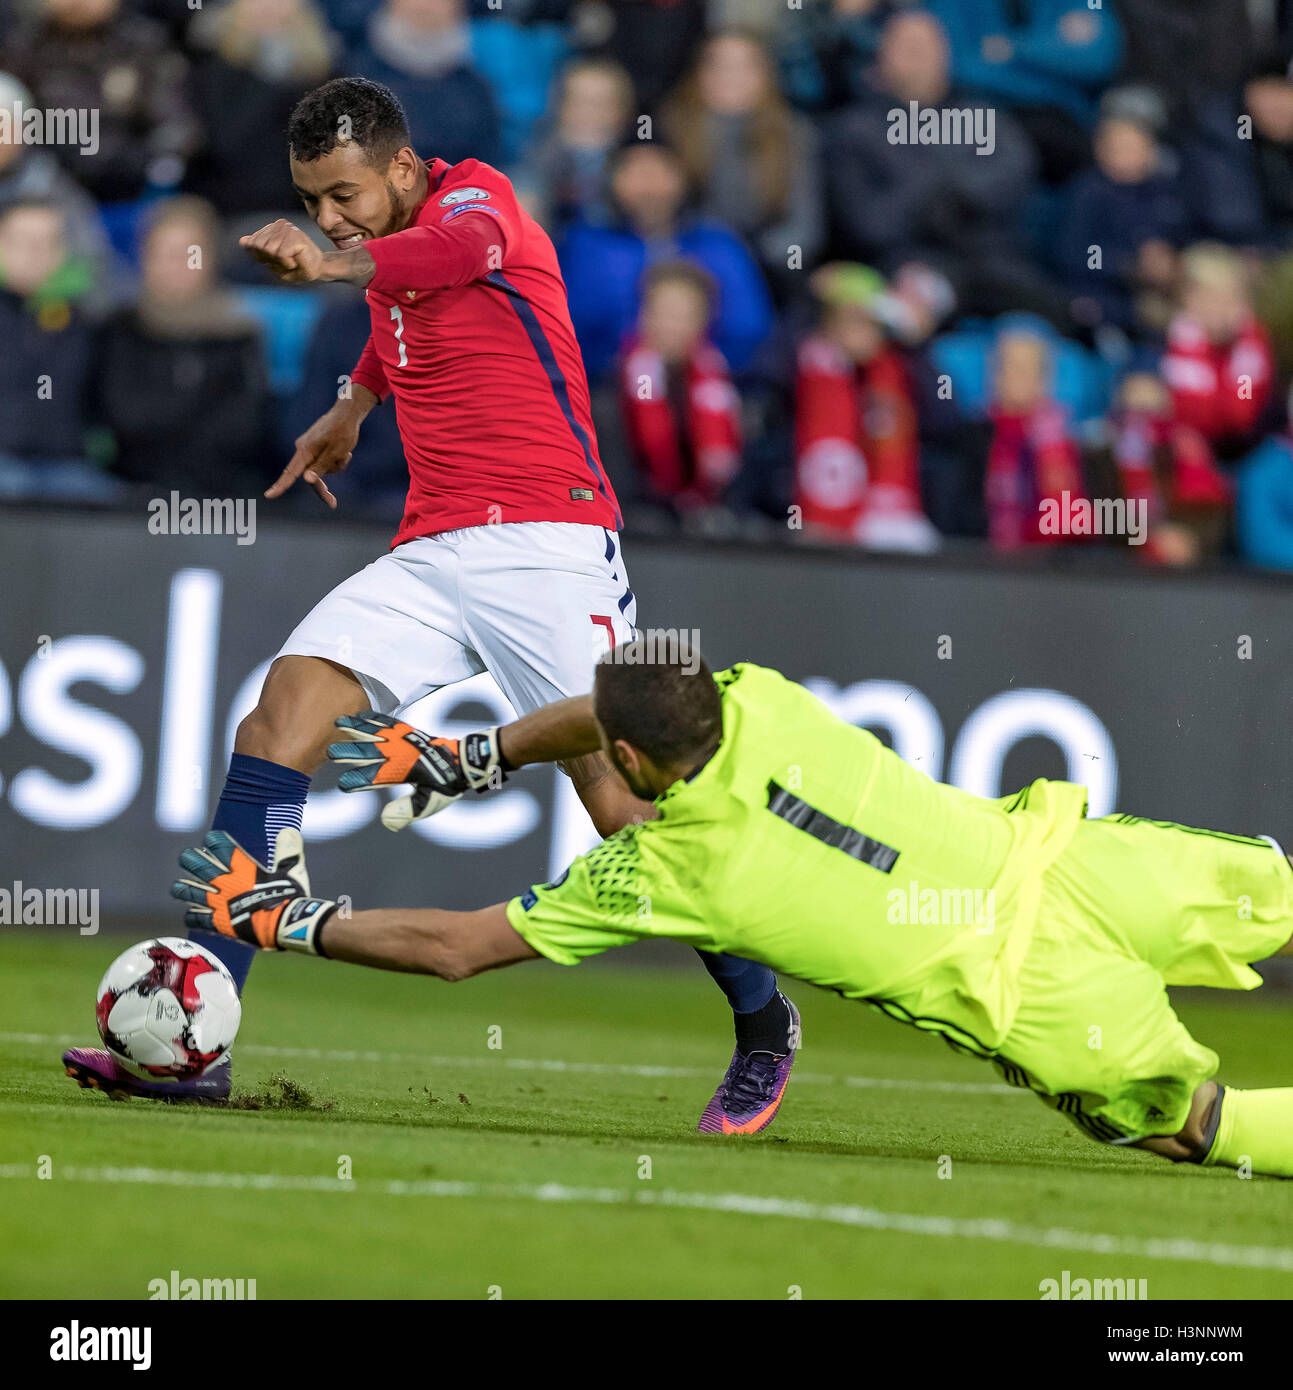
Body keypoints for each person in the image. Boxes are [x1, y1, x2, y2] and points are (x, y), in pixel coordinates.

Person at [62, 78, 799, 1132]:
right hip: (435, 543)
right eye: (314, 202)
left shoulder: (479, 205)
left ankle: (765, 1020)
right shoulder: (388, 248)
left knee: (622, 807)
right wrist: (354, 403)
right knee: (279, 717)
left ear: (404, 169)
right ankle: (200, 1044)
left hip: (548, 536)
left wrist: (330, 263)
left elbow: (434, 263)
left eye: (345, 195)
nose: (331, 217)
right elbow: (396, 307)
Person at [169, 645, 1293, 1176]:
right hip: (1073, 860)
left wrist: (279, 916)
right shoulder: (763, 696)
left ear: (627, 760)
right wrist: (478, 752)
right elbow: (612, 704)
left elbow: (458, 949)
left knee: (1198, 1122)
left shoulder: (668, 872)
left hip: (1026, 989)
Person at [92, 196, 269, 497]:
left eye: (189, 254)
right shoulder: (120, 327)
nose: (175, 267)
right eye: (164, 254)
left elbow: (245, 426)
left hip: (225, 492)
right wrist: (197, 405)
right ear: (144, 257)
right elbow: (125, 417)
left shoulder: (238, 331)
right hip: (132, 491)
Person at [559, 140, 774, 380]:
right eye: (636, 173)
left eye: (661, 172)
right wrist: (633, 355)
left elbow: (750, 328)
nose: (649, 186)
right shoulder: (588, 247)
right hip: (608, 387)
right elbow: (572, 327)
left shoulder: (719, 244)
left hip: (714, 385)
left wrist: (699, 360)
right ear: (612, 181)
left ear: (683, 178)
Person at [618, 260, 742, 524]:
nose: (671, 325)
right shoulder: (611, 390)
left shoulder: (720, 386)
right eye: (663, 312)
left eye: (684, 315)